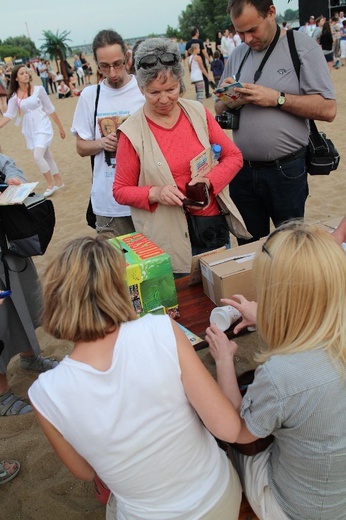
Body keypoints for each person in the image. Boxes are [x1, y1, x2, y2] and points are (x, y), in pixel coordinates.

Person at [28, 234, 242, 519]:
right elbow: (228, 428)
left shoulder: (44, 394)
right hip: (216, 499)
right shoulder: (160, 329)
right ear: (121, 288)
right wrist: (224, 360)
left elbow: (85, 471)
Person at [205, 221, 346, 520]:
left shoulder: (282, 375)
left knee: (217, 441)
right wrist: (267, 317)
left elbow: (238, 432)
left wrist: (224, 360)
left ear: (278, 296)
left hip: (300, 509)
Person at [113, 37, 243, 275]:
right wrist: (155, 193)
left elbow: (234, 156)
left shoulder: (197, 111)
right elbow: (121, 190)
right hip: (167, 239)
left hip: (210, 227)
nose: (164, 99)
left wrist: (209, 181)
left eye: (171, 89)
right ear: (140, 88)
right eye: (154, 92)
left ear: (181, 83)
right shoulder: (131, 132)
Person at [215, 0, 336, 243]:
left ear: (271, 12)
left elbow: (328, 109)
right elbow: (218, 108)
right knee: (247, 248)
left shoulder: (301, 46)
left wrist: (276, 99)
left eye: (252, 30)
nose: (247, 39)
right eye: (240, 32)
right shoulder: (238, 54)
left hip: (286, 170)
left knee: (289, 247)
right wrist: (229, 97)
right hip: (241, 170)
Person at [0, 152, 59, 417]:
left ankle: (29, 356)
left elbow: (6, 162)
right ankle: (2, 395)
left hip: (9, 244)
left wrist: (15, 178)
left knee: (24, 302)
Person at [71, 29, 145, 236]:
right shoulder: (89, 96)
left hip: (146, 198)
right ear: (95, 62)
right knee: (114, 267)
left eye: (117, 64)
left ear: (127, 57)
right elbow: (81, 147)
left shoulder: (144, 90)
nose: (112, 72)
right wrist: (102, 143)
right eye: (104, 66)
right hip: (108, 205)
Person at [0, 65, 66, 197]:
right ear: (16, 78)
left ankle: (50, 184)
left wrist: (60, 127)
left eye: (26, 72)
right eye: (22, 73)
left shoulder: (38, 90)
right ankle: (59, 181)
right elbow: (9, 115)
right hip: (30, 129)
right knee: (46, 155)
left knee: (38, 155)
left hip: (43, 125)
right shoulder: (14, 97)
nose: (26, 75)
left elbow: (50, 108)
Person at [185, 28, 212, 98]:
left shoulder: (188, 43)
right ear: (196, 33)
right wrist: (209, 59)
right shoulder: (199, 41)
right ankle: (207, 93)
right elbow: (204, 52)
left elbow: (186, 54)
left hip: (193, 63)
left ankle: (198, 93)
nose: (199, 33)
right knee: (205, 78)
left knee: (197, 80)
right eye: (198, 32)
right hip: (201, 61)